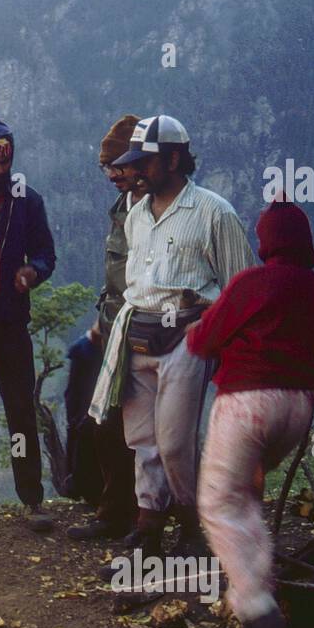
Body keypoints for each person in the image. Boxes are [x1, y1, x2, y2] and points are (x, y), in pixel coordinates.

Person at [187, 197, 314, 628]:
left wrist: (198, 324)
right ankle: (254, 592)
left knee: (221, 502)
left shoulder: (251, 283)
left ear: (264, 242)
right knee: (247, 498)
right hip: (297, 407)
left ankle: (258, 611)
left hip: (246, 401)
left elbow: (203, 342)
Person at [88, 115, 257, 567]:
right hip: (138, 328)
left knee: (176, 438)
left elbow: (241, 284)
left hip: (188, 332)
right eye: (134, 162)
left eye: (145, 161)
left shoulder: (213, 211)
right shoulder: (136, 215)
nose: (136, 170)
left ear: (175, 159)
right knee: (141, 436)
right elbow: (132, 282)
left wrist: (220, 336)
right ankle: (149, 527)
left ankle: (193, 523)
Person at [0, 118, 57, 533]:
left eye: (4, 164)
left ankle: (32, 499)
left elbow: (45, 254)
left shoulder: (28, 201)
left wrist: (32, 273)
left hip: (11, 319)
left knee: (19, 408)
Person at [65, 114, 142, 542]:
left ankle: (137, 514)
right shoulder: (123, 206)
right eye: (106, 167)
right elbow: (116, 276)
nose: (111, 174)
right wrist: (99, 325)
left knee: (127, 423)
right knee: (99, 415)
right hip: (111, 328)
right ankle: (104, 501)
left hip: (142, 332)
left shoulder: (153, 208)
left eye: (118, 165)